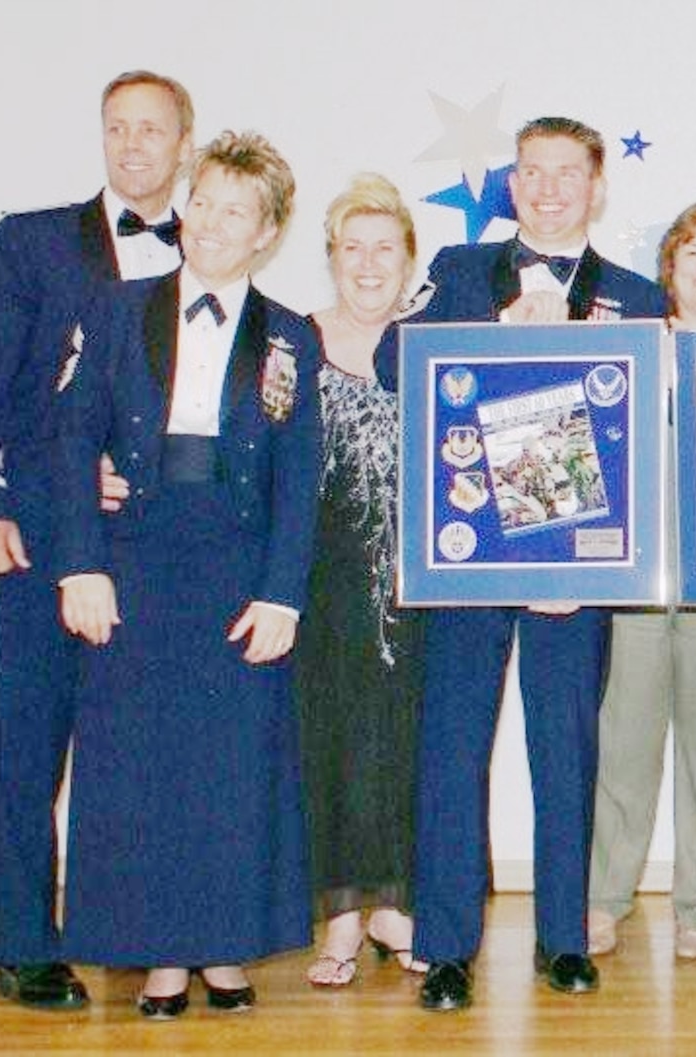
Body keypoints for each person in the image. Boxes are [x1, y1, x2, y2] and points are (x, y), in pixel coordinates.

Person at [379, 116, 664, 1013]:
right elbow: (394, 360)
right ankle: (447, 942)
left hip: (578, 567)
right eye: (531, 172)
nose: (547, 188)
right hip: (468, 555)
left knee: (566, 746)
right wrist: (495, 331)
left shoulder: (634, 291)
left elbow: (655, 425)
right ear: (510, 185)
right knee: (452, 747)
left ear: (597, 185)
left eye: (566, 173)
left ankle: (564, 937)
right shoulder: (462, 273)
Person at [52, 129, 318, 1019]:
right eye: (201, 201)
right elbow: (69, 441)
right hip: (134, 556)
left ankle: (227, 946)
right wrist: (81, 564)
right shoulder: (114, 308)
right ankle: (161, 953)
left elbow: (300, 476)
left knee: (232, 765)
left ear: (266, 231)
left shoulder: (290, 336)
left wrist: (283, 591)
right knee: (140, 761)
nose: (208, 222)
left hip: (237, 566)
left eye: (233, 210)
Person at [0, 69, 192, 1012]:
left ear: (183, 146)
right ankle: (20, 942)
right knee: (28, 744)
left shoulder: (208, 253)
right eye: (118, 128)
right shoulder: (29, 242)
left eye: (152, 130)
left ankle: (125, 927)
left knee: (137, 748)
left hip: (154, 549)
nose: (133, 145)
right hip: (35, 533)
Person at [586, 198, 696, 963]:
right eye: (694, 253)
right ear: (670, 267)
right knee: (622, 740)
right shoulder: (630, 348)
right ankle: (602, 896)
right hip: (635, 578)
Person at [294, 173, 430, 986]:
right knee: (334, 742)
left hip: (419, 589)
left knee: (408, 741)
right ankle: (341, 919)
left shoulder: (433, 343)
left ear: (410, 260)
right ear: (332, 258)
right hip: (324, 584)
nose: (369, 263)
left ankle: (397, 908)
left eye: (385, 248)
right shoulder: (293, 341)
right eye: (353, 248)